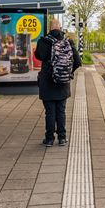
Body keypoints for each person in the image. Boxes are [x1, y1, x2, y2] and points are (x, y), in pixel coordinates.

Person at [35, 19, 81, 147]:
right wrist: (68, 72)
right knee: (61, 111)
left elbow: (38, 56)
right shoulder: (68, 42)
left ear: (49, 29)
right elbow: (78, 61)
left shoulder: (43, 42)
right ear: (60, 28)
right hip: (63, 82)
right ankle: (62, 138)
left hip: (47, 82)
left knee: (50, 111)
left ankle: (49, 139)